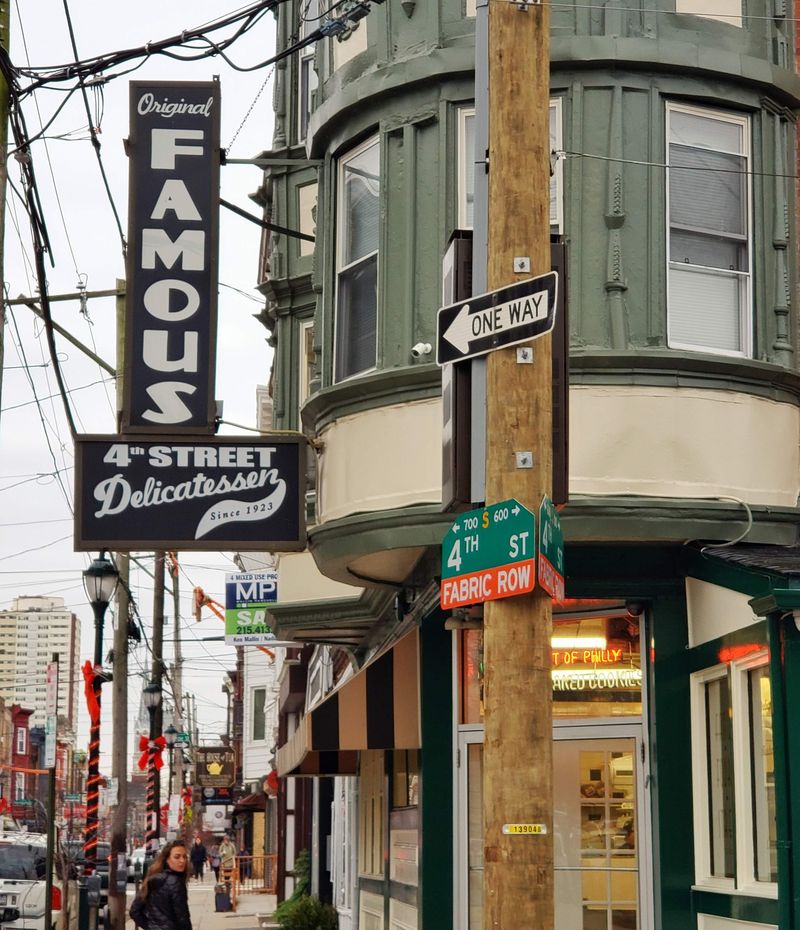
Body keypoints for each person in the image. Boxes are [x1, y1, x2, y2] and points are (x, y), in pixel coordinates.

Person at [129, 841, 192, 930]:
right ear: (167, 859)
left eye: (184, 857)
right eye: (177, 857)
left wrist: (150, 927)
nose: (182, 861)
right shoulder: (176, 883)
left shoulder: (151, 879)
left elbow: (135, 911)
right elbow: (182, 918)